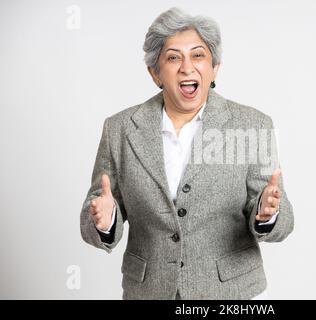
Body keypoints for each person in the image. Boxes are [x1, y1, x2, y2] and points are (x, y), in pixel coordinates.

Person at [80, 7, 294, 300]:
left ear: (215, 67)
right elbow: (94, 212)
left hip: (230, 295)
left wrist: (266, 214)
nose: (186, 67)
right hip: (149, 292)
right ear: (154, 72)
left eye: (198, 55)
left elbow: (284, 222)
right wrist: (104, 220)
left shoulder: (252, 125)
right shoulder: (119, 129)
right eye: (173, 57)